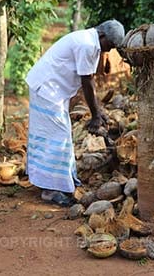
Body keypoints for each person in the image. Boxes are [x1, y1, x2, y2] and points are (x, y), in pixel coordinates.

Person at [25, 19, 125, 206]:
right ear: (102, 35)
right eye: (109, 45)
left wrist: (98, 110)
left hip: (53, 90)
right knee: (58, 137)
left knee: (50, 136)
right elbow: (87, 81)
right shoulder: (87, 44)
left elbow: (88, 81)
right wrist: (95, 114)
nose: (109, 50)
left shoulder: (91, 41)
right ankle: (50, 191)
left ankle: (55, 180)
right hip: (47, 89)